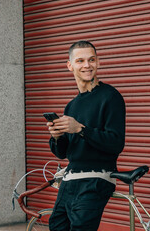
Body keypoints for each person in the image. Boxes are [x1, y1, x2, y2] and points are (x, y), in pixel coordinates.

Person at [46, 40, 126, 231]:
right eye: (80, 61)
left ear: (98, 62)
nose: (87, 65)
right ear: (70, 66)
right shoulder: (71, 105)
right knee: (56, 226)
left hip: (96, 179)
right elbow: (63, 153)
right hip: (69, 180)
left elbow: (116, 143)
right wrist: (57, 137)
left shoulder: (111, 96)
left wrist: (81, 129)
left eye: (91, 59)